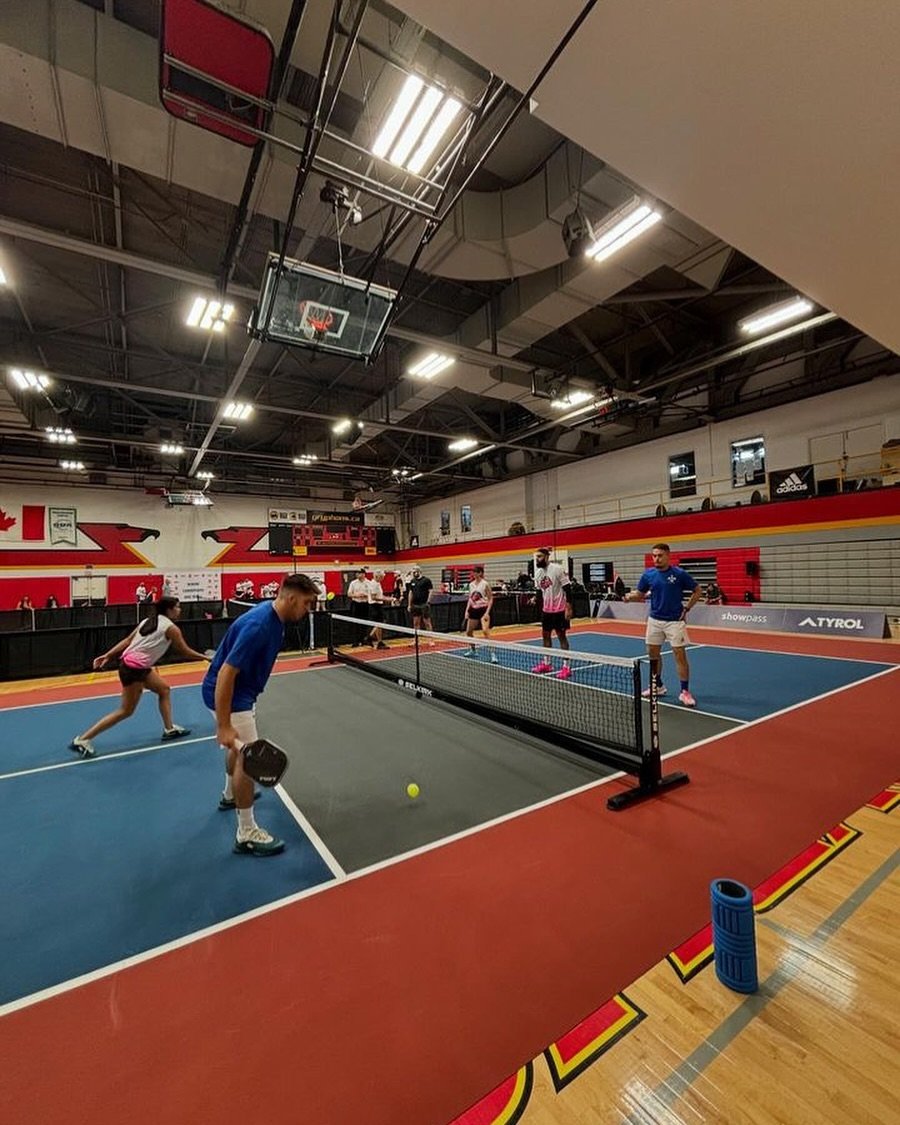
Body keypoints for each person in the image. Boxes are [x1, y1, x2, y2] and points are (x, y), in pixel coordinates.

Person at [202, 573, 320, 857]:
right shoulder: (259, 625)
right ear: (290, 598)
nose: (308, 610)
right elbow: (226, 674)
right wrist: (223, 724)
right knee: (249, 760)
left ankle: (229, 795)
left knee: (238, 751)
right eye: (306, 603)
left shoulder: (274, 618)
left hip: (241, 694)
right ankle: (247, 832)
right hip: (233, 697)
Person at [70, 596, 209, 758]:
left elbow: (128, 640)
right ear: (169, 610)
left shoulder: (147, 622)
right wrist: (205, 657)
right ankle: (83, 739)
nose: (180, 610)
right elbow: (185, 651)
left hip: (137, 666)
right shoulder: (171, 628)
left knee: (164, 689)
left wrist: (109, 655)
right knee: (125, 711)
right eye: (177, 607)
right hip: (133, 669)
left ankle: (169, 729)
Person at [625, 542, 703, 707]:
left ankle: (684, 692)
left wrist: (687, 608)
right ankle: (657, 686)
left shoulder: (679, 574)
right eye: (654, 556)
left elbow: (698, 590)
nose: (656, 559)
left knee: (679, 655)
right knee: (653, 654)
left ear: (668, 556)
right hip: (654, 620)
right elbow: (640, 594)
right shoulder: (648, 575)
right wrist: (628, 597)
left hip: (675, 622)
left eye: (660, 555)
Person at [530, 546, 574, 679]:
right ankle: (547, 664)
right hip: (546, 611)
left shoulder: (557, 569)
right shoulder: (538, 573)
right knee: (545, 636)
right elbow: (539, 591)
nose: (537, 559)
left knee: (561, 637)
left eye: (540, 557)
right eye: (536, 557)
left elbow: (568, 588)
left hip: (559, 610)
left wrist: (568, 607)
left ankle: (566, 667)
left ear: (547, 556)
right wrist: (535, 599)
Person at [464, 564, 497, 662]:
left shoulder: (485, 584)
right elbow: (470, 599)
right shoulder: (471, 584)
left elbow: (490, 599)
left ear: (480, 573)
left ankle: (493, 654)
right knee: (468, 632)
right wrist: (467, 611)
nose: (474, 574)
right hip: (473, 610)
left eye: (476, 572)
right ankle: (473, 650)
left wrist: (487, 612)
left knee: (485, 631)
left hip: (483, 610)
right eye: (473, 572)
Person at [364, 569, 389, 649]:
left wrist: (388, 598)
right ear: (377, 576)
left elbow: (380, 596)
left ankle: (371, 638)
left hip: (377, 605)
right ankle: (377, 641)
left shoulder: (377, 583)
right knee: (379, 623)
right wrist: (387, 599)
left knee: (380, 623)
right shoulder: (374, 584)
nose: (383, 578)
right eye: (381, 577)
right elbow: (374, 597)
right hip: (375, 606)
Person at [347, 566, 371, 645]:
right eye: (357, 573)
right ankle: (356, 641)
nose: (357, 574)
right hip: (356, 604)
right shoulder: (353, 583)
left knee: (365, 622)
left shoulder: (369, 583)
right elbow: (349, 594)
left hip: (365, 604)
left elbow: (372, 594)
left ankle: (364, 639)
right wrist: (356, 595)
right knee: (355, 623)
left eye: (359, 573)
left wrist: (366, 595)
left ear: (363, 574)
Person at [407, 566, 433, 631]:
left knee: (427, 622)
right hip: (415, 605)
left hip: (424, 604)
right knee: (415, 623)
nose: (413, 574)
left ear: (419, 572)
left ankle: (430, 637)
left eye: (415, 572)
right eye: (413, 573)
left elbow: (430, 591)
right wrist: (409, 605)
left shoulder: (426, 580)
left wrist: (428, 601)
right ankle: (416, 637)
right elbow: (411, 593)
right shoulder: (412, 581)